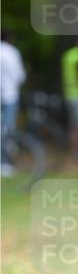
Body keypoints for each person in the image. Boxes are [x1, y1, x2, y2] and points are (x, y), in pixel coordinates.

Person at [0, 32, 26, 176]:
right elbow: (19, 75)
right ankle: (5, 163)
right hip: (10, 95)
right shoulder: (11, 52)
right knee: (8, 130)